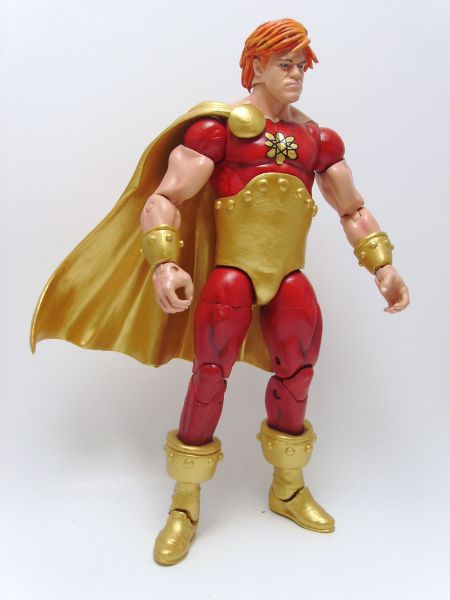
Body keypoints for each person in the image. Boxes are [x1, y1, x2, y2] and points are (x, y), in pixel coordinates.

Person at [31, 18, 409, 567]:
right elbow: (165, 199)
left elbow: (352, 209)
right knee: (209, 378)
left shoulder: (317, 140)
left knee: (298, 374)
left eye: (302, 65)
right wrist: (164, 265)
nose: (297, 74)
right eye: (285, 64)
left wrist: (383, 266)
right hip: (231, 276)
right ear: (256, 65)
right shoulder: (221, 130)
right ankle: (185, 503)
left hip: (288, 277)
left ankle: (287, 488)